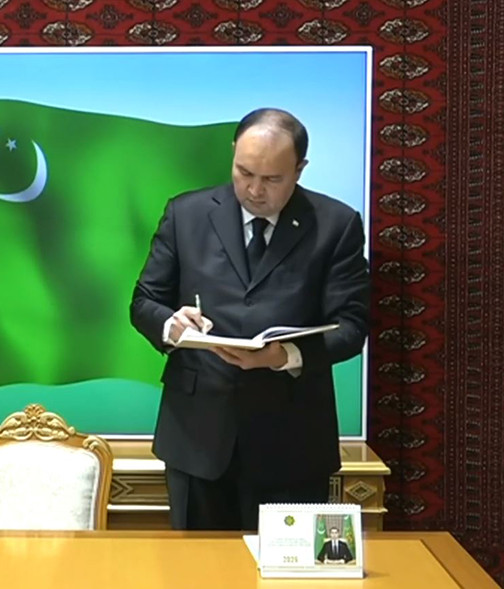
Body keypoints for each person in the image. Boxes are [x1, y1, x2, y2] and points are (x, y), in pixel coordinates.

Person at [129, 108, 370, 531]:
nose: (255, 190)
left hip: (292, 443)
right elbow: (145, 301)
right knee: (196, 565)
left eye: (272, 179)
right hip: (197, 437)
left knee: (285, 568)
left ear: (300, 169)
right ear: (233, 155)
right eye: (244, 173)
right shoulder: (186, 213)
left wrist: (283, 356)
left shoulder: (336, 225)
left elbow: (351, 327)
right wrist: (172, 325)